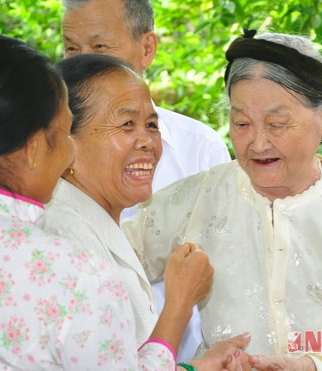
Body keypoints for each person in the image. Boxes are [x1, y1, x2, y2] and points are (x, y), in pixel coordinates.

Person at [0, 35, 211, 370]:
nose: (69, 152)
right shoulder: (74, 272)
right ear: (34, 148)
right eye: (63, 134)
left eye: (151, 125)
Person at [124, 29, 322, 370]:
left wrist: (310, 364)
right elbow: (110, 266)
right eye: (241, 124)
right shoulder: (195, 198)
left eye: (277, 124)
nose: (257, 143)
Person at [44, 53, 251, 371]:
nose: (148, 142)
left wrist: (199, 366)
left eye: (151, 125)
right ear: (67, 144)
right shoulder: (62, 239)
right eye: (127, 124)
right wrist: (180, 302)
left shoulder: (92, 221)